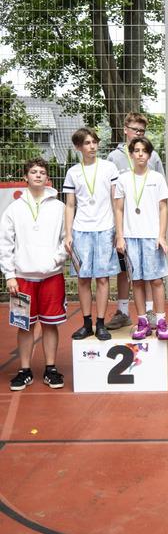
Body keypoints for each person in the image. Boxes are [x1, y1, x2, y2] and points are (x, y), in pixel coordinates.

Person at [0, 158, 67, 390]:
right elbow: (5, 243)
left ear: (47, 178)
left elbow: (66, 239)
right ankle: (25, 370)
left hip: (51, 276)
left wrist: (54, 261)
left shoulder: (59, 207)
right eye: (33, 172)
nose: (38, 175)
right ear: (26, 177)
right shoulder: (14, 209)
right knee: (24, 325)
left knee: (50, 325)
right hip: (22, 278)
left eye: (42, 172)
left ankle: (51, 369)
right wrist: (9, 274)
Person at [106, 111, 165, 331]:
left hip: (148, 226)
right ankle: (122, 311)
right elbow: (111, 193)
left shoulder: (153, 156)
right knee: (125, 269)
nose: (138, 133)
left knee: (149, 272)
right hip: (123, 225)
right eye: (135, 129)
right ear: (125, 130)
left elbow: (161, 195)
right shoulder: (114, 158)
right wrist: (116, 228)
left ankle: (149, 312)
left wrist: (160, 231)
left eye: (142, 130)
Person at [64, 128, 120, 341]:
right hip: (81, 231)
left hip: (105, 229)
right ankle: (87, 324)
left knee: (103, 278)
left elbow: (116, 202)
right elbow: (70, 205)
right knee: (83, 278)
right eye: (87, 143)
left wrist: (118, 231)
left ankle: (101, 323)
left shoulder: (109, 167)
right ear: (78, 147)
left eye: (94, 142)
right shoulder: (73, 172)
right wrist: (68, 234)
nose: (92, 146)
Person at [114, 136, 168, 340]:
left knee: (156, 280)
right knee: (137, 281)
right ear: (131, 154)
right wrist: (120, 237)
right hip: (131, 237)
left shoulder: (157, 178)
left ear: (149, 155)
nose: (140, 154)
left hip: (151, 237)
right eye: (136, 150)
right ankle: (142, 321)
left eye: (144, 151)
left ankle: (161, 321)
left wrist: (161, 236)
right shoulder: (123, 179)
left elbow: (163, 208)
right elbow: (118, 209)